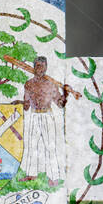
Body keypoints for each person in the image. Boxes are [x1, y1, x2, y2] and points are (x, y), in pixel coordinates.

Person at [19, 57, 66, 186]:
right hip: (34, 116)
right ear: (34, 67)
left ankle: (54, 177)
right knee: (32, 146)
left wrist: (65, 95)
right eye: (38, 66)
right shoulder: (28, 84)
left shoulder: (51, 84)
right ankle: (31, 174)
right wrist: (20, 103)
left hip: (47, 116)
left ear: (46, 68)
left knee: (50, 146)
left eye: (43, 66)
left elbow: (60, 104)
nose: (40, 68)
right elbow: (27, 106)